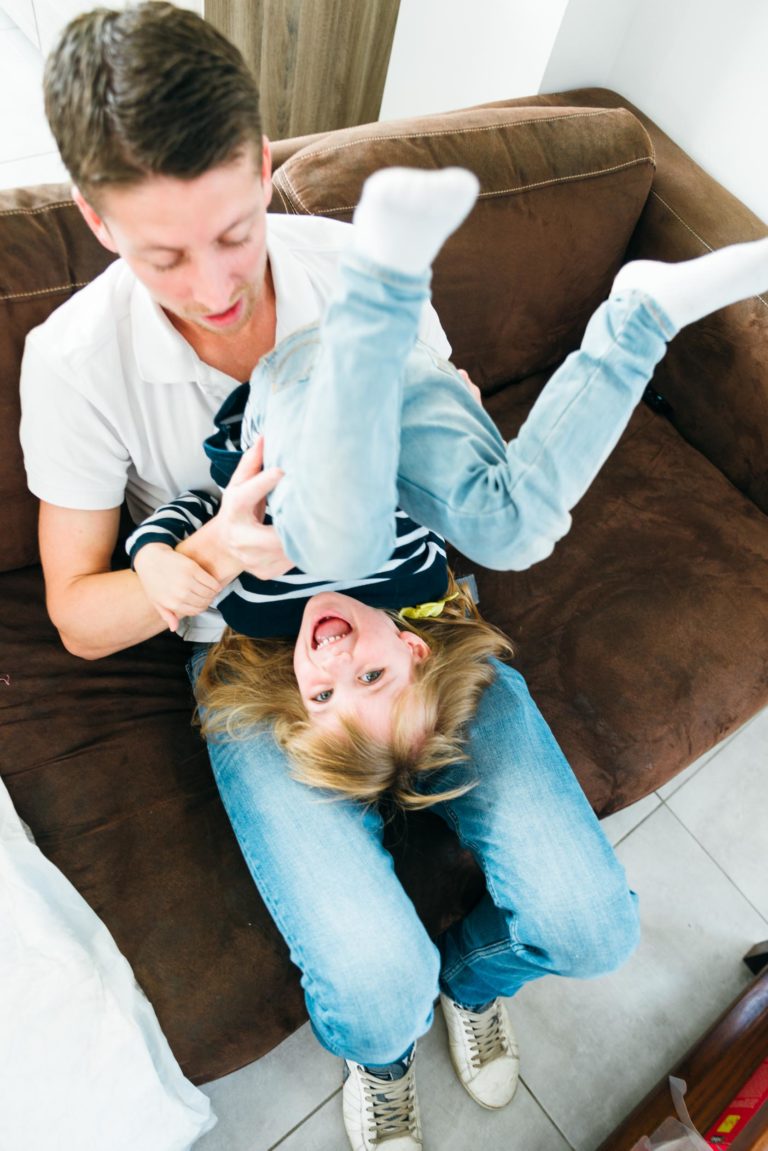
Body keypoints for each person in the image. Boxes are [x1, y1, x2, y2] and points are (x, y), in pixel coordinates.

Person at [17, 5, 766, 1150]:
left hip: (411, 601)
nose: (216, 285)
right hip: (255, 649)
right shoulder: (73, 362)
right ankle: (386, 1040)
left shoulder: (335, 259)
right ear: (94, 218)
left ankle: (474, 980)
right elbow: (75, 611)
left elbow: (450, 457)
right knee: (373, 986)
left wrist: (450, 424)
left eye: (234, 228)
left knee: (589, 916)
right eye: (163, 254)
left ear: (265, 168)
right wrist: (210, 552)